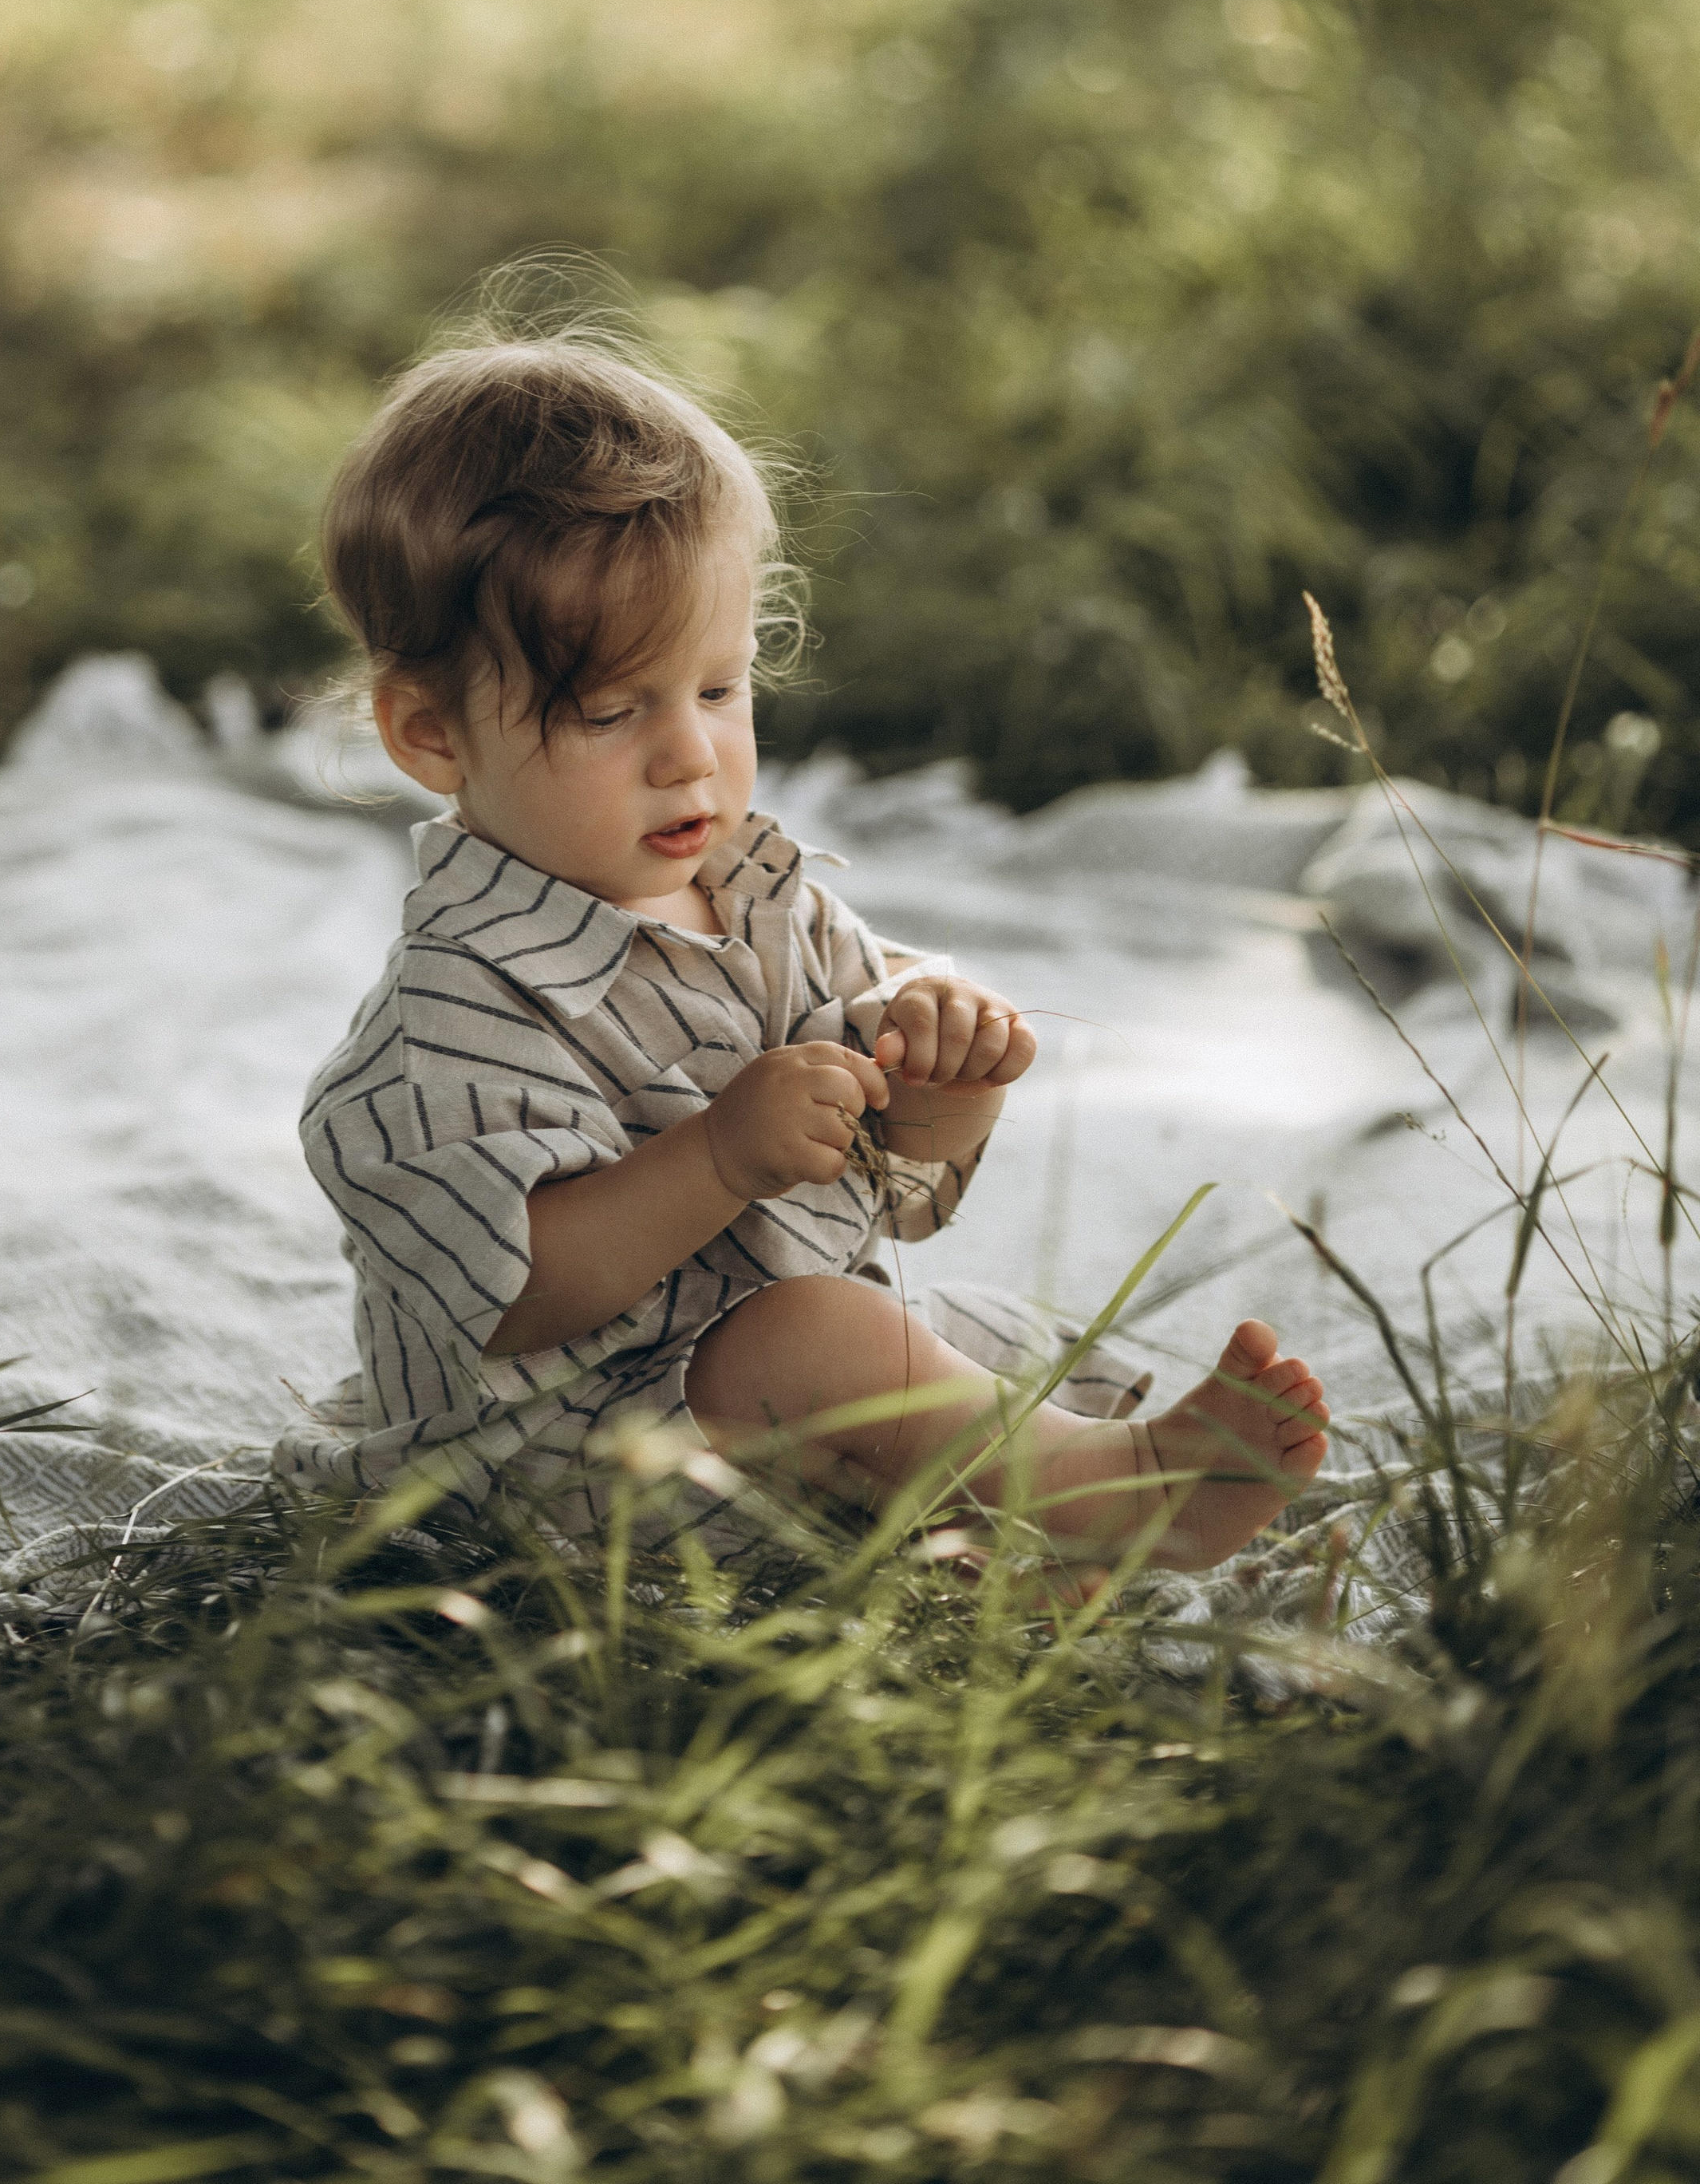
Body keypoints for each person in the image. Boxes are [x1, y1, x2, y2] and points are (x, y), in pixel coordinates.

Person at [276, 333, 1328, 1572]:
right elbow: (515, 1291)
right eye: (611, 711)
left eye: (719, 690)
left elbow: (895, 1181)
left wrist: (944, 1077)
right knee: (826, 1344)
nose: (689, 755)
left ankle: (1015, 1537)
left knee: (937, 1336)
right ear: (431, 734)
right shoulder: (452, 1016)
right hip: (554, 1468)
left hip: (743, 1393)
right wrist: (720, 1155)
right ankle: (1123, 1500)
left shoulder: (761, 902)